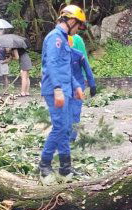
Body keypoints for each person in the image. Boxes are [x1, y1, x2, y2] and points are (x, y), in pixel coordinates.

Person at [39, 4, 86, 181]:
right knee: (59, 128)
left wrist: (76, 86)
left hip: (65, 89)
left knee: (65, 128)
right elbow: (51, 65)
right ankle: (44, 164)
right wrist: (58, 89)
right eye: (79, 25)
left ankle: (65, 168)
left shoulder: (64, 39)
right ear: (72, 20)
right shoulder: (54, 38)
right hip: (54, 89)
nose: (79, 29)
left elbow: (65, 67)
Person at [68, 47, 96, 141]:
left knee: (75, 112)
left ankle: (72, 138)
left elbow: (87, 69)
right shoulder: (57, 56)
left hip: (78, 88)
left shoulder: (78, 55)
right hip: (64, 87)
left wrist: (92, 85)